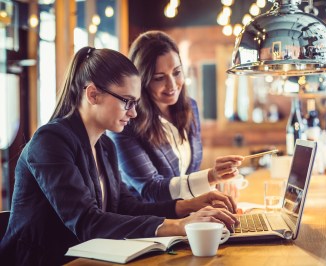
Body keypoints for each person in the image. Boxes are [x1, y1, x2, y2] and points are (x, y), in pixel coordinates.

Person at [0, 47, 238, 266]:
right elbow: (87, 222)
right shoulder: (50, 141)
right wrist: (179, 226)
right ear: (93, 94)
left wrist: (188, 206)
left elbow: (125, 206)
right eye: (127, 102)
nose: (133, 113)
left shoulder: (104, 145)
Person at [109, 31, 244, 202]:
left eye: (177, 72)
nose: (172, 85)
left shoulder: (191, 107)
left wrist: (215, 185)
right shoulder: (125, 123)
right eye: (159, 78)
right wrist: (211, 177)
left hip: (185, 218)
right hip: (149, 224)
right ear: (142, 81)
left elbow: (189, 174)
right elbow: (151, 189)